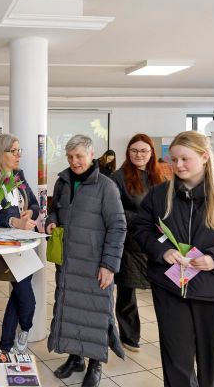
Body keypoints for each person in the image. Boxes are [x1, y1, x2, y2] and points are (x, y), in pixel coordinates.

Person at [134, 131, 214, 387]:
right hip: (170, 290)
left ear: (204, 157)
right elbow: (141, 229)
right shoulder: (159, 196)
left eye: (184, 159)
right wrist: (163, 250)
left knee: (211, 367)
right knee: (176, 363)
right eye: (173, 159)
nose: (177, 166)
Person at [46, 135, 126, 387]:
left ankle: (95, 365)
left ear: (92, 155)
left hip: (94, 265)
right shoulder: (63, 182)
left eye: (79, 156)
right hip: (68, 263)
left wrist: (109, 265)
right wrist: (51, 220)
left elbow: (118, 226)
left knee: (95, 314)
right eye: (70, 157)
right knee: (70, 311)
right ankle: (75, 358)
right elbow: (54, 208)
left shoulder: (106, 186)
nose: (74, 162)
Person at [0, 135, 42, 354]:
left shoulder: (19, 175)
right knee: (27, 299)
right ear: (0, 153)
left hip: (25, 243)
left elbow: (35, 204)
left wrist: (30, 211)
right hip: (6, 245)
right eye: (14, 151)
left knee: (18, 294)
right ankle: (24, 329)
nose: (19, 155)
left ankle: (5, 345)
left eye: (20, 151)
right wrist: (12, 221)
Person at [110, 134, 165, 353]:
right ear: (128, 152)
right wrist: (144, 219)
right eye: (134, 150)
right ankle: (129, 337)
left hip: (157, 242)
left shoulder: (160, 176)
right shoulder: (118, 177)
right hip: (129, 244)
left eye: (143, 151)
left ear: (151, 153)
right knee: (127, 292)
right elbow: (114, 211)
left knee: (162, 290)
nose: (139, 155)